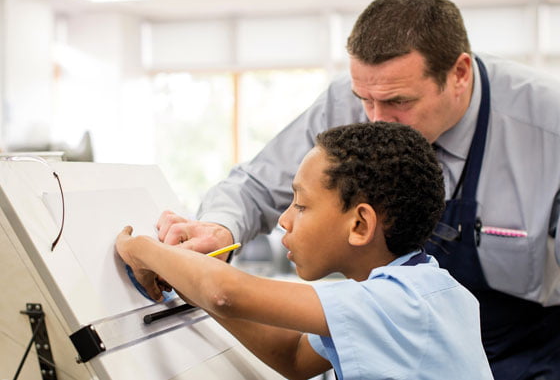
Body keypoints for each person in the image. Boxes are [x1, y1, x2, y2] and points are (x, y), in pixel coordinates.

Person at [152, 0, 560, 379]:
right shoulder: (384, 298)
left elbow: (227, 294)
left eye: (399, 102)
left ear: (459, 73)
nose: (376, 119)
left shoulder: (548, 122)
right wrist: (218, 231)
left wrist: (139, 247)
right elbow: (256, 186)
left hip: (532, 349)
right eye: (365, 99)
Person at [116, 122, 493, 380]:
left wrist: (140, 248)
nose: (284, 219)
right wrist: (190, 285)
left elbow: (226, 293)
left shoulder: (392, 303)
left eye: (300, 204)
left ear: (360, 225)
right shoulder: (431, 287)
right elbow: (294, 357)